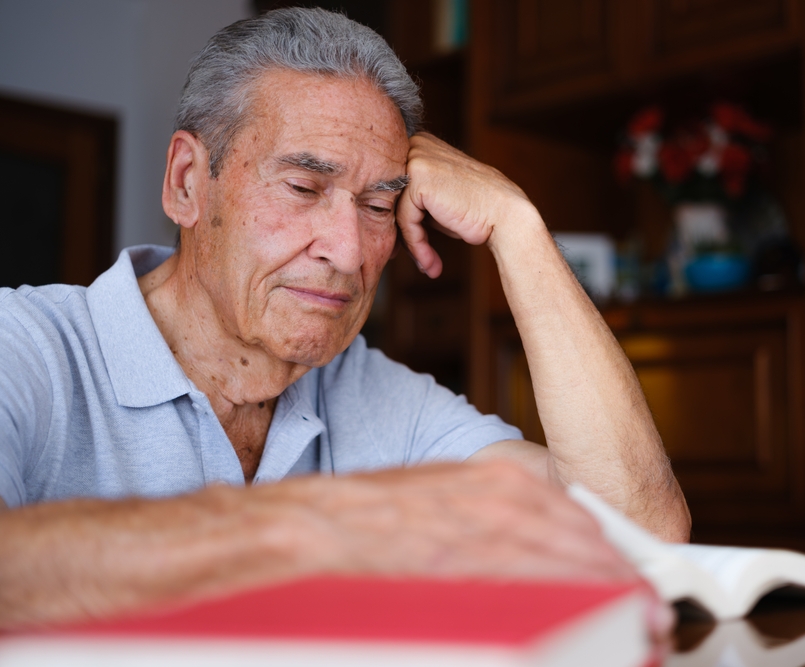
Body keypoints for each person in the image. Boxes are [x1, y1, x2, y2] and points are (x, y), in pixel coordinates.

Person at [0, 8, 689, 628]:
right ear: (187, 181)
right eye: (304, 187)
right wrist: (305, 533)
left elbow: (639, 532)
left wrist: (518, 226)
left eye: (379, 203)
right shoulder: (26, 348)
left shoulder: (375, 391)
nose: (350, 249)